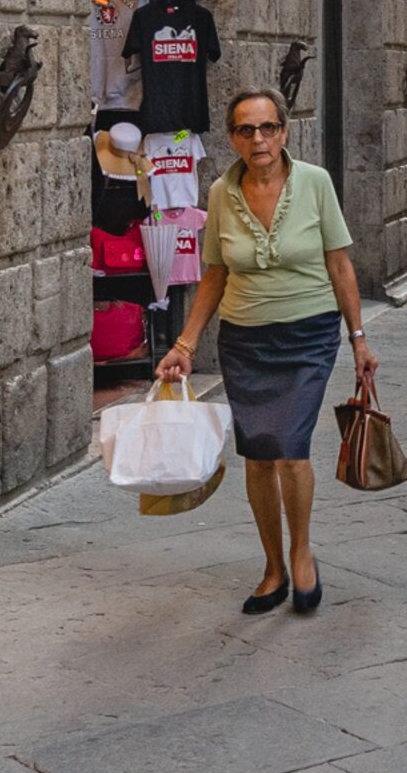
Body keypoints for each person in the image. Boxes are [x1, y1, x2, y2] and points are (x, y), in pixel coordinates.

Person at [157, 89, 375, 614]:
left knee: (291, 448)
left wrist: (358, 338)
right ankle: (273, 567)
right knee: (257, 455)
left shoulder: (315, 183)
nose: (258, 139)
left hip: (308, 336)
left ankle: (301, 553)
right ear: (232, 138)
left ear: (284, 131)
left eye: (267, 127)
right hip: (245, 340)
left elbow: (340, 264)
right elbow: (215, 273)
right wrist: (185, 343)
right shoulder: (219, 193)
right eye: (245, 130)